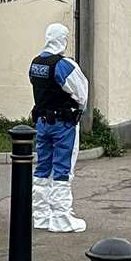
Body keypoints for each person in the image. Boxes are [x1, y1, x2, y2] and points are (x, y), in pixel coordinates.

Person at [29, 22, 89, 233]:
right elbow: (81, 93)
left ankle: (40, 215)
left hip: (42, 123)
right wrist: (79, 109)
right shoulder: (64, 65)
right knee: (63, 168)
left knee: (42, 168)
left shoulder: (36, 63)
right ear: (62, 40)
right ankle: (61, 218)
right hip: (63, 124)